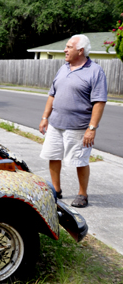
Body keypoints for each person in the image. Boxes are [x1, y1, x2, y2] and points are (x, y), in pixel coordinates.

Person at [39, 34, 107, 208]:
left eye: (69, 47)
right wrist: (45, 117)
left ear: (80, 50)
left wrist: (92, 128)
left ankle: (82, 194)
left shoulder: (95, 71)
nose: (65, 50)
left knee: (80, 161)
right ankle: (56, 190)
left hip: (78, 126)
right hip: (55, 123)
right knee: (53, 156)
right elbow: (52, 95)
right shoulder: (63, 68)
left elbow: (99, 102)